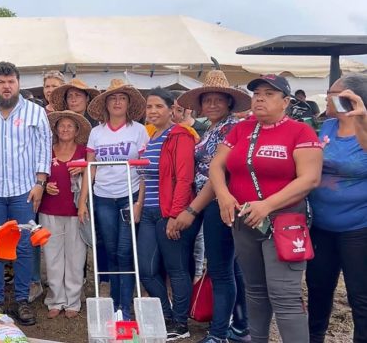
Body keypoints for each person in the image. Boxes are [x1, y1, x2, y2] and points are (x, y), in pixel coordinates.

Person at [209, 74, 323, 342]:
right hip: (244, 220)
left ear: (285, 102)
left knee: (284, 294)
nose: (259, 98)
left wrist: (268, 205)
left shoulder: (300, 131)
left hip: (285, 220)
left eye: (269, 94)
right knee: (255, 291)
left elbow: (310, 178)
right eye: (257, 93)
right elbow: (217, 165)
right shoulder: (241, 129)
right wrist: (224, 195)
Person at [0, 61, 52, 325]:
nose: (6, 86)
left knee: (25, 246)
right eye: (1, 82)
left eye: (11, 81)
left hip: (24, 190)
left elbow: (43, 148)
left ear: (18, 83)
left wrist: (40, 183)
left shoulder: (36, 112)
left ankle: (22, 300)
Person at [177, 70, 252, 343]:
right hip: (210, 201)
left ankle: (219, 333)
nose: (211, 104)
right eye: (206, 100)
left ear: (229, 102)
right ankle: (240, 325)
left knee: (221, 269)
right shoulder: (211, 128)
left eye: (218, 100)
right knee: (231, 268)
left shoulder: (232, 128)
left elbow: (217, 174)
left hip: (220, 201)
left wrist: (192, 209)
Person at [78, 79, 149, 320]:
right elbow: (91, 168)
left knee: (125, 251)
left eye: (122, 98)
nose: (117, 102)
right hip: (103, 197)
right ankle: (115, 304)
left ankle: (124, 308)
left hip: (129, 194)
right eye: (113, 98)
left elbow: (144, 170)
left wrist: (140, 201)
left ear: (128, 103)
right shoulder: (97, 132)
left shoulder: (139, 130)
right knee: (110, 250)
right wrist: (83, 201)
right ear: (106, 104)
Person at [307, 74, 367, 343]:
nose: (327, 96)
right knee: (318, 288)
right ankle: (314, 337)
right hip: (320, 226)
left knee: (360, 295)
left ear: (351, 97)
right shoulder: (327, 127)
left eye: (333, 92)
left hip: (358, 228)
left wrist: (362, 122)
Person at [134, 87, 197, 341]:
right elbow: (145, 177)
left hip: (169, 211)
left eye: (158, 106)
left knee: (177, 268)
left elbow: (184, 178)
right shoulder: (151, 137)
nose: (152, 111)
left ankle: (181, 323)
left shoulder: (179, 135)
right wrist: (139, 204)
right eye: (149, 107)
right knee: (147, 270)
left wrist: (175, 214)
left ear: (172, 109)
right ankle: (166, 315)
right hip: (149, 211)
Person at [39, 110, 90, 319]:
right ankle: (55, 299)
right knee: (52, 257)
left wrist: (83, 172)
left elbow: (91, 176)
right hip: (49, 209)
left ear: (77, 130)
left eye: (70, 126)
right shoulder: (46, 151)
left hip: (75, 210)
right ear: (56, 129)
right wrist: (45, 186)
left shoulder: (84, 152)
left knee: (76, 257)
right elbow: (38, 176)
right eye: (62, 125)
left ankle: (73, 301)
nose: (65, 129)